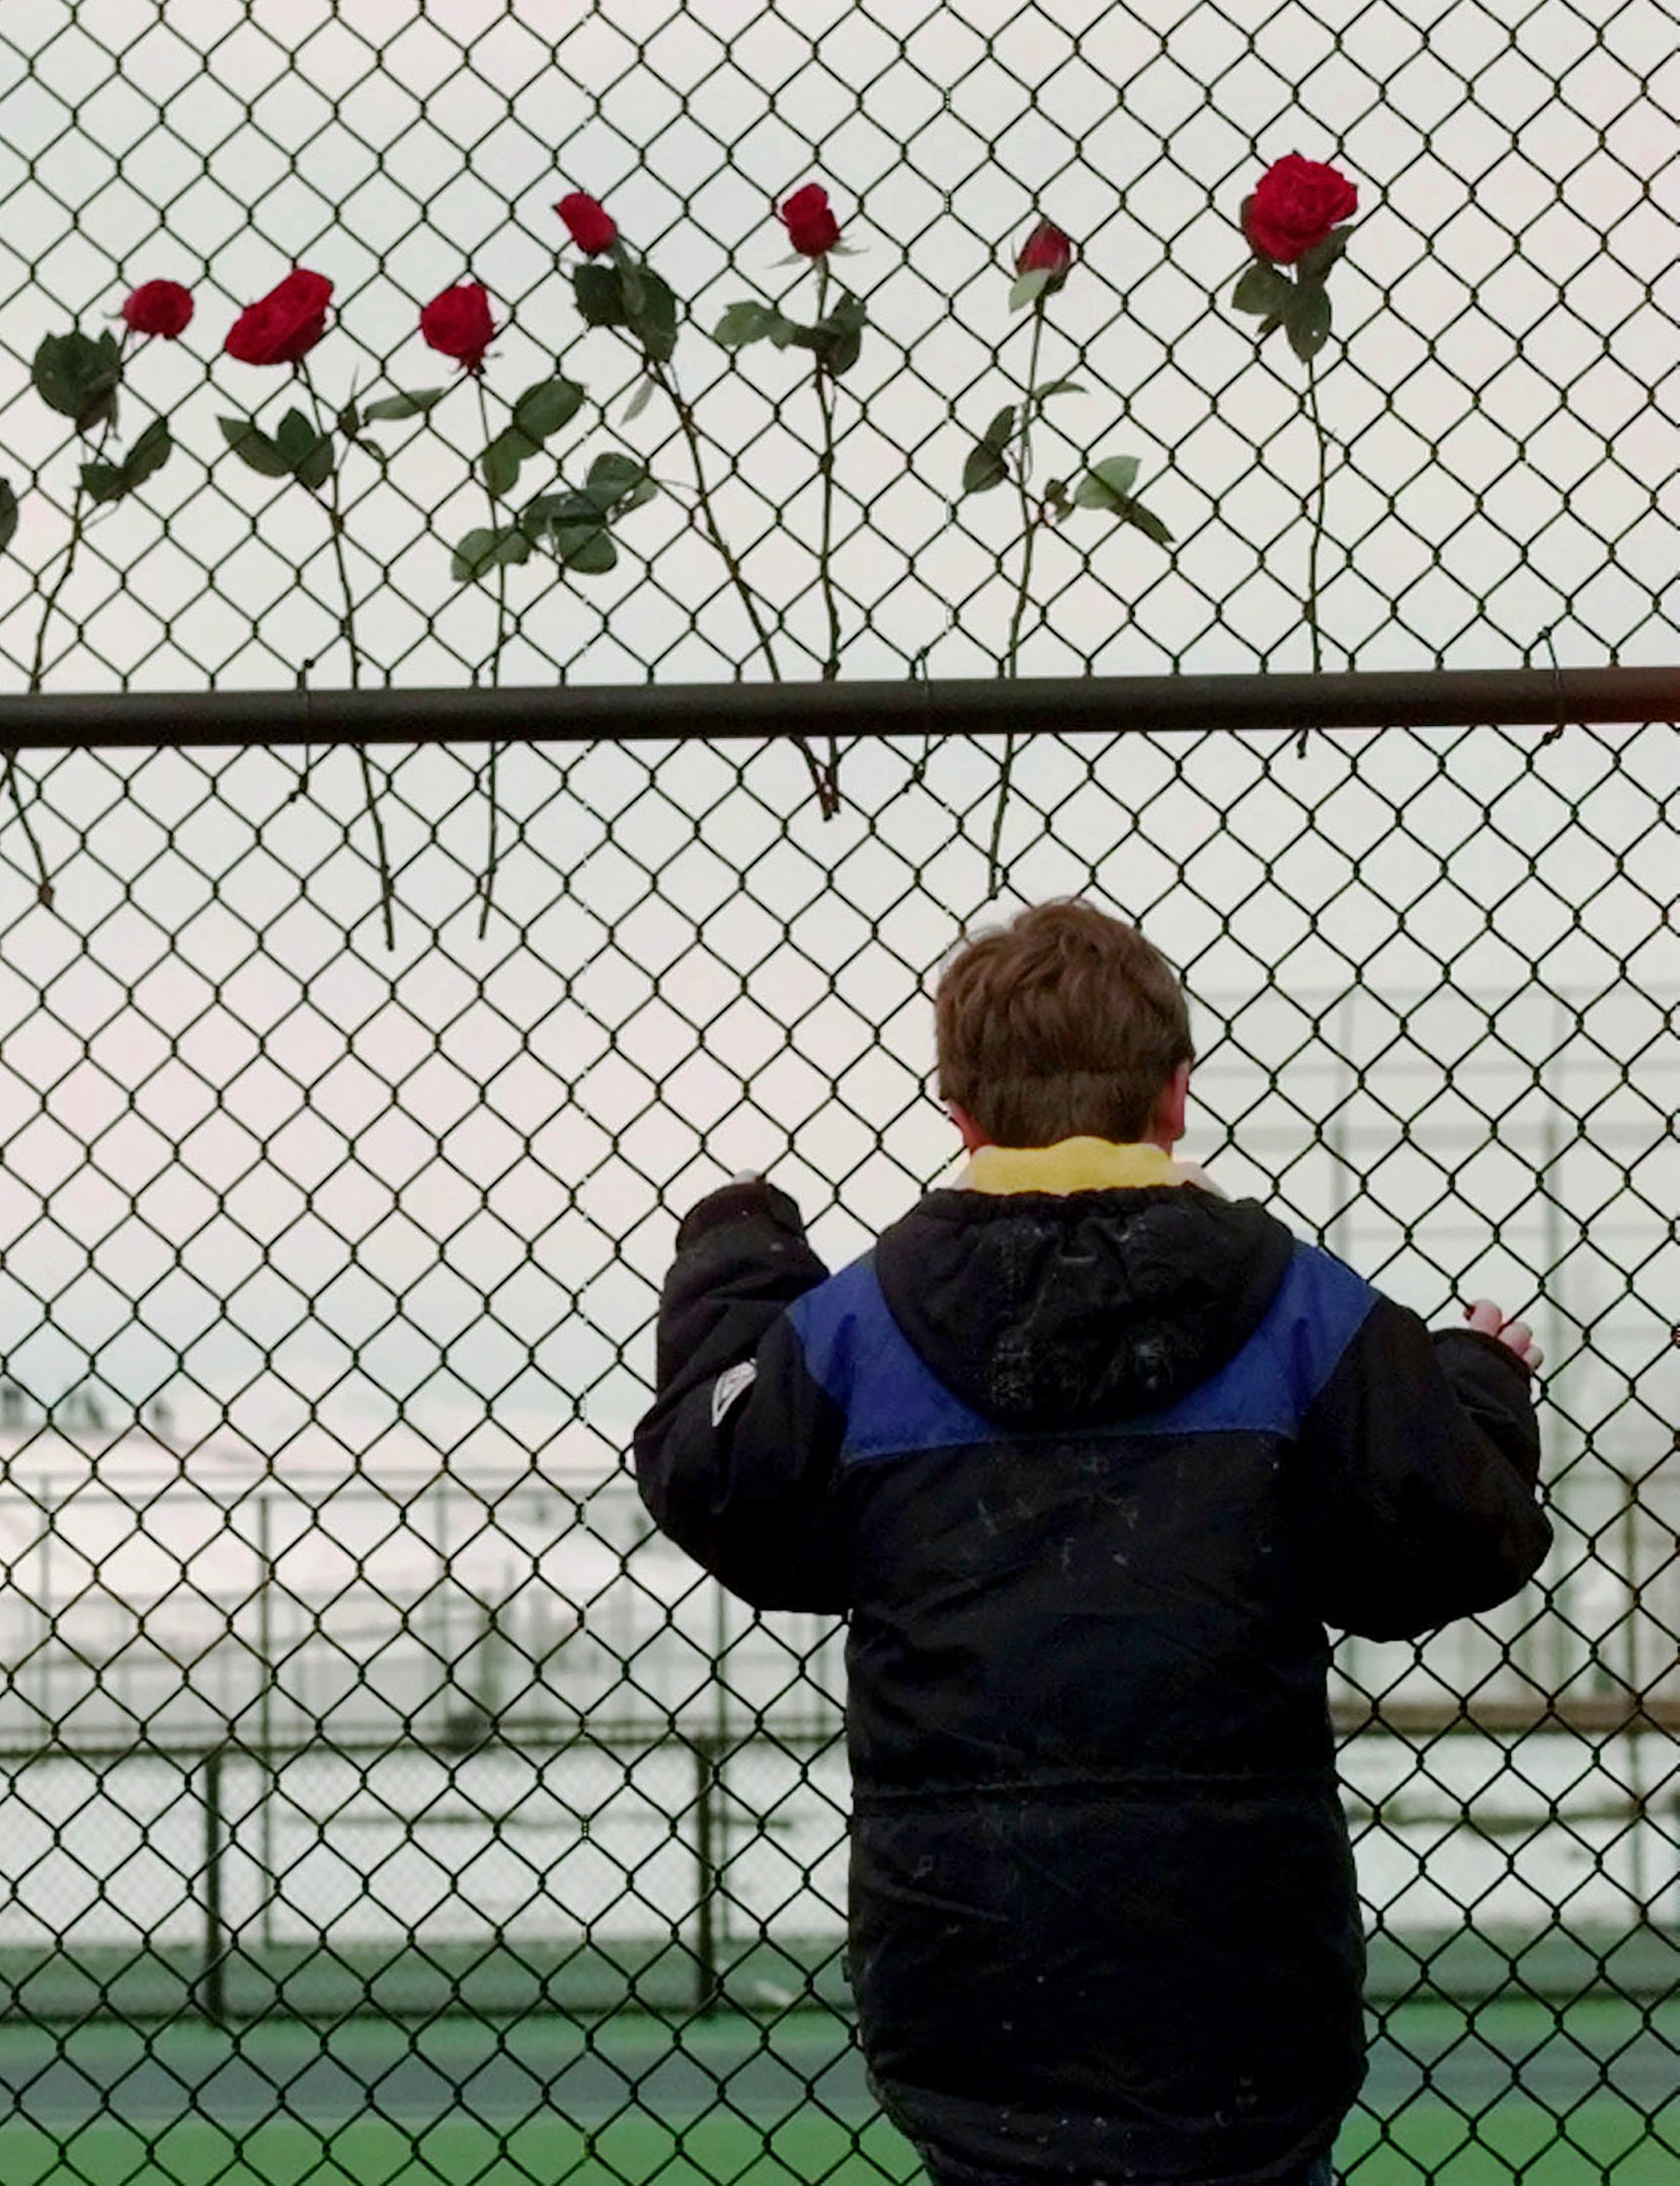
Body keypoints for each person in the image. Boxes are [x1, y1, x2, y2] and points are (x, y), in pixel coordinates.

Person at [633, 899, 1551, 2186]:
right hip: (1241, 1983)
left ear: (959, 1111)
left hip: (968, 1972)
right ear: (1175, 1097)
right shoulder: (1303, 1312)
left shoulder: (861, 1334)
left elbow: (721, 1478)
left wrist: (737, 1255)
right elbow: (1455, 1538)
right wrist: (1476, 1387)